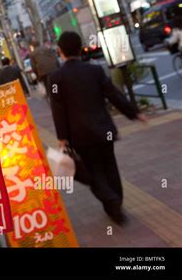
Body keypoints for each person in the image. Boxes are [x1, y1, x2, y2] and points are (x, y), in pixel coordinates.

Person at [48, 31, 147, 224]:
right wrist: (134, 113)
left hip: (79, 135)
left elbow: (57, 110)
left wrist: (62, 137)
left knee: (93, 171)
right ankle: (115, 203)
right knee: (110, 165)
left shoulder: (56, 78)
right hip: (104, 130)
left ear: (60, 51)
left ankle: (111, 201)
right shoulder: (95, 71)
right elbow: (114, 95)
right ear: (80, 49)